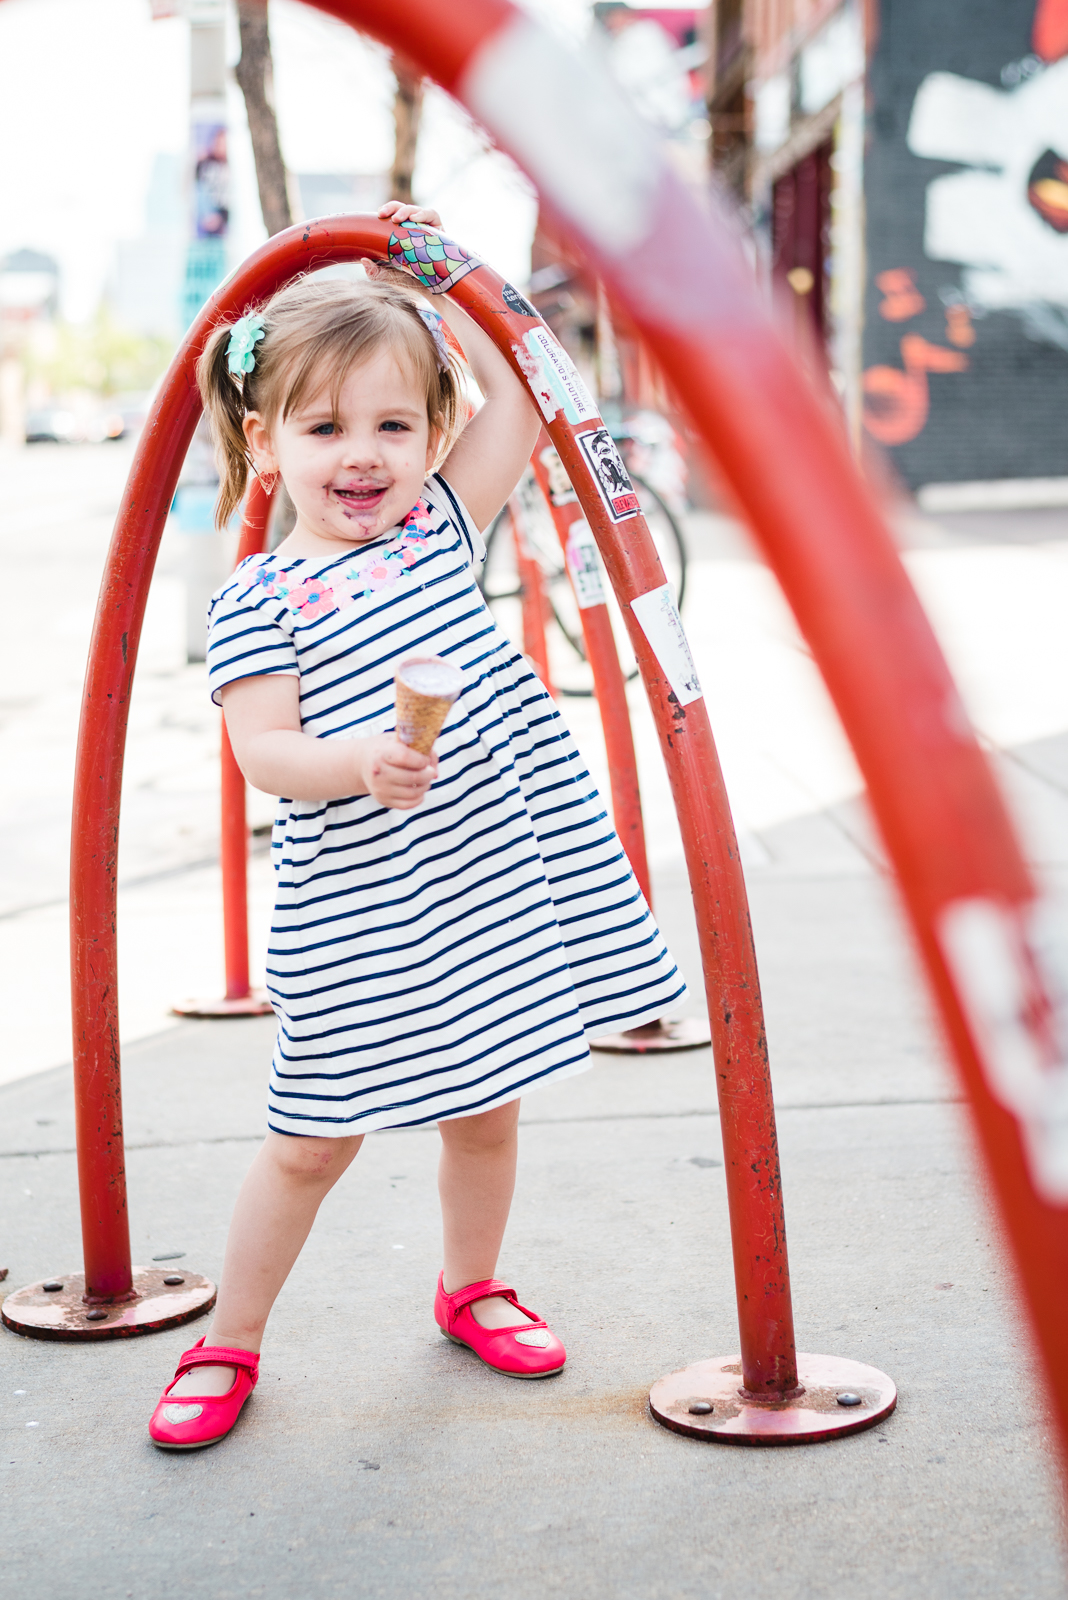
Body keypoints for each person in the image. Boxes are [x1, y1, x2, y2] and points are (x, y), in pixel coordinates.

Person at [148, 203, 686, 1451]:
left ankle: (471, 1284)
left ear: (433, 434)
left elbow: (520, 398)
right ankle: (228, 1339)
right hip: (360, 907)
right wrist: (353, 761)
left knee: (488, 1106)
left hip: (485, 880)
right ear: (264, 440)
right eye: (325, 427)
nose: (365, 455)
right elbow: (263, 751)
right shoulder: (261, 597)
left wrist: (440, 273)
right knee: (309, 1141)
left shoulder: (442, 521)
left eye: (395, 425)